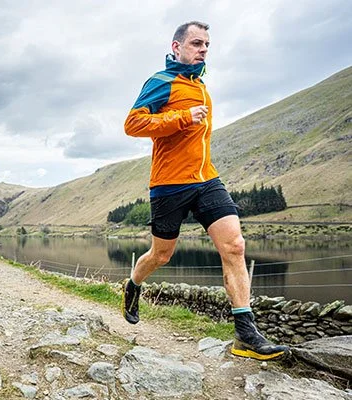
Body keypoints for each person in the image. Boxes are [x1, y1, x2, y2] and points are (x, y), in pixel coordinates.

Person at [122, 21, 289, 361]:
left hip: (207, 180)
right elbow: (133, 124)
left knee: (235, 245)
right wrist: (181, 117)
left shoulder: (201, 87)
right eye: (196, 43)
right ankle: (133, 284)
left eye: (207, 45)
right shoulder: (161, 82)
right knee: (162, 256)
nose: (203, 49)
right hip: (169, 185)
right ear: (176, 47)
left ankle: (245, 335)